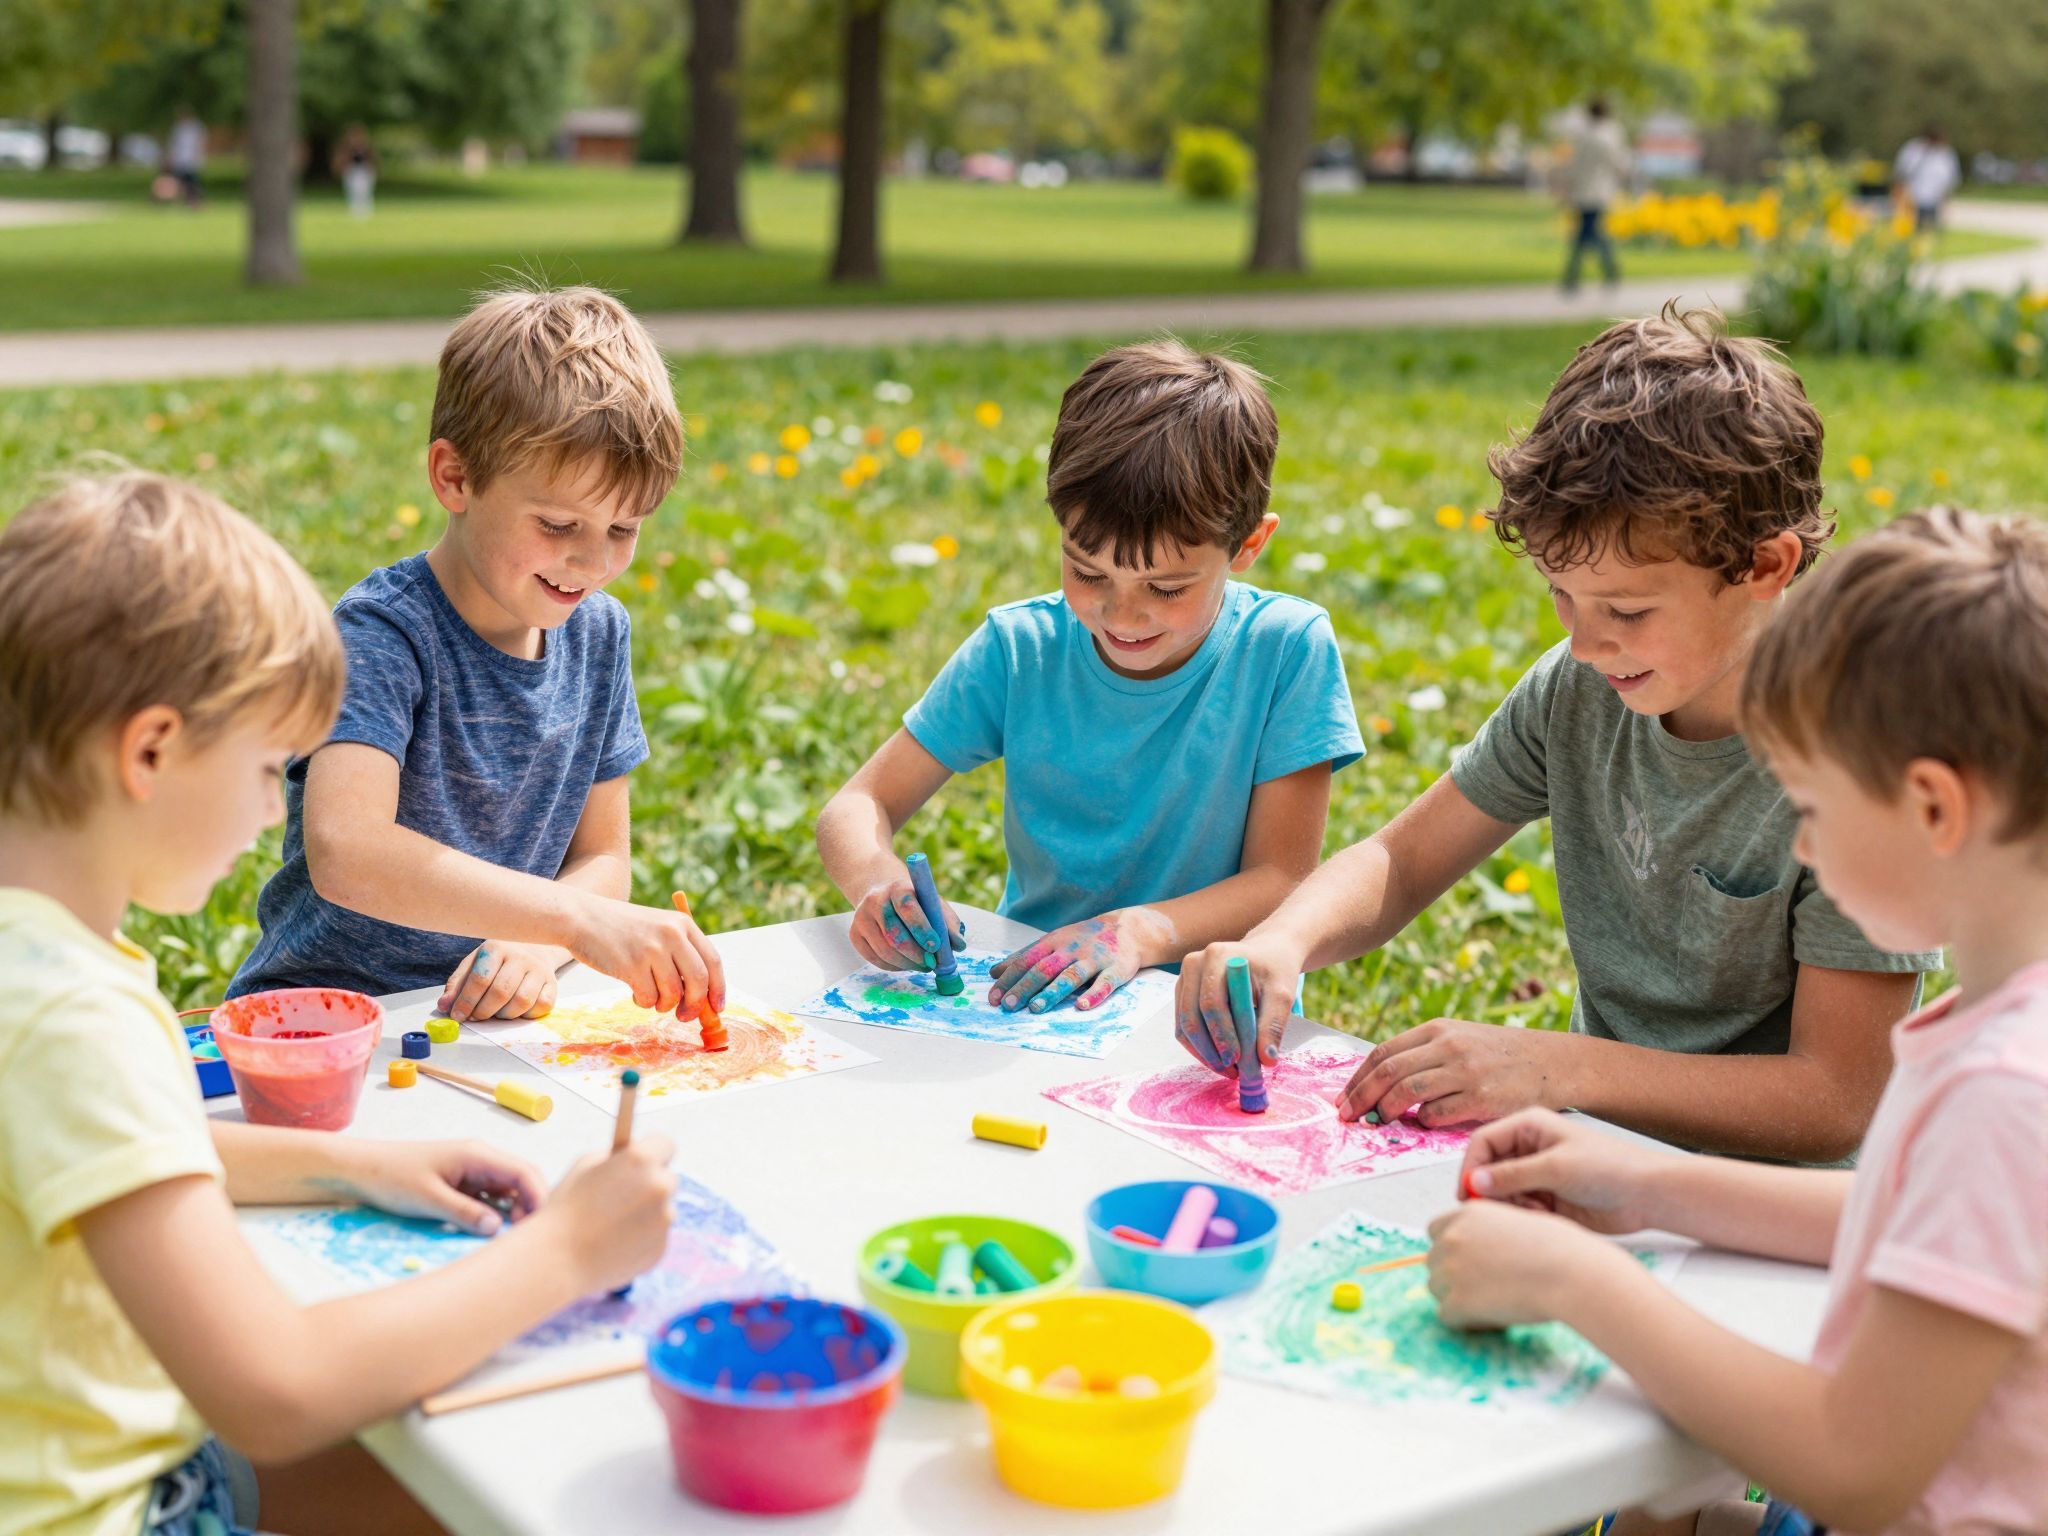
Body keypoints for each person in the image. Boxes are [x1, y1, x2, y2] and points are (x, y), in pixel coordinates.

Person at [0, 471, 675, 1536]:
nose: (276, 809)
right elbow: (277, 1392)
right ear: (150, 750)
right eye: (272, 768)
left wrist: (353, 1163)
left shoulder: (34, 957)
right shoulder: (65, 1017)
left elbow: (127, 1149)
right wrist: (567, 1256)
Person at [1177, 307, 1940, 1165]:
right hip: (1598, 1149)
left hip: (1783, 1216)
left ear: (1767, 567)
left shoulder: (1869, 765)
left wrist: (1556, 1067)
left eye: (1627, 609)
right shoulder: (1584, 685)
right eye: (1562, 596)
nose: (1585, 642)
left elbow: (1835, 1100)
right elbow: (1403, 861)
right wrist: (1282, 939)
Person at [1428, 507, 2048, 1536]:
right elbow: (1911, 1222)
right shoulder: (2001, 1025)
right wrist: (1643, 1186)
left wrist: (1582, 1287)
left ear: (1933, 809)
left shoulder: (2003, 1096)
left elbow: (1855, 1466)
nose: (1799, 849)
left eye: (1809, 809)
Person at [818, 339, 1364, 1016]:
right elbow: (855, 806)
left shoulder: (1286, 650)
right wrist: (877, 881)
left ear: (1248, 545)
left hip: (1212, 1009)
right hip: (1034, 998)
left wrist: (1135, 932)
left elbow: (1281, 880)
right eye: (1087, 570)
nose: (1121, 612)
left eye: (1165, 587)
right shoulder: (1021, 648)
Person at [230, 285, 726, 1027]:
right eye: (559, 523)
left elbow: (604, 860)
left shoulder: (598, 635)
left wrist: (536, 943)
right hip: (330, 1022)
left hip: (490, 1026)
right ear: (454, 478)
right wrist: (570, 921)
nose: (591, 562)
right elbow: (346, 849)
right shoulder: (382, 634)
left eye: (624, 529)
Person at [1558, 99, 1631, 293]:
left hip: (1583, 192)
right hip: (1600, 192)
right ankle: (1607, 273)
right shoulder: (1611, 134)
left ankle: (1574, 277)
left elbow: (1574, 166)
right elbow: (1618, 163)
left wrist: (1566, 190)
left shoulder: (1583, 136)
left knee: (1586, 233)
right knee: (1590, 233)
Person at [1893, 125, 1961, 234]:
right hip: (1911, 202)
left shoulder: (1946, 153)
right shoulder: (1913, 150)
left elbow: (1949, 181)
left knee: (1927, 235)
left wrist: (1945, 205)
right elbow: (1901, 175)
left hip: (1932, 203)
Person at [334, 123, 378, 219]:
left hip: (364, 172)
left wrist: (371, 169)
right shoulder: (346, 147)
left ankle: (365, 211)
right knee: (352, 191)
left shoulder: (366, 147)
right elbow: (341, 160)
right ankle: (354, 211)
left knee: (365, 191)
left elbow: (373, 160)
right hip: (351, 172)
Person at [166, 108, 205, 207]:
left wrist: (197, 157)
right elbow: (174, 145)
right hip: (180, 160)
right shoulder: (177, 128)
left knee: (192, 182)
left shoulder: (195, 128)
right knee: (179, 182)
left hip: (190, 160)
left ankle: (195, 201)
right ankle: (182, 201)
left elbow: (198, 144)